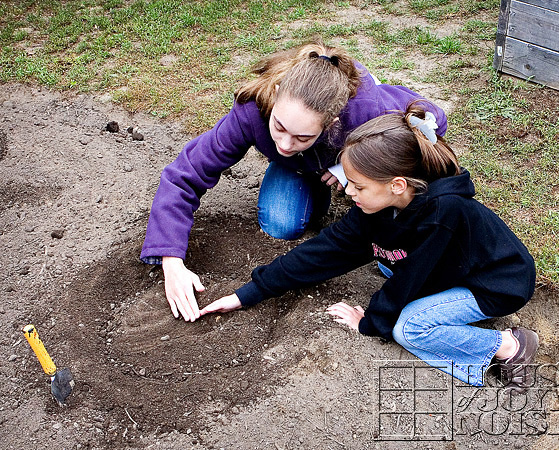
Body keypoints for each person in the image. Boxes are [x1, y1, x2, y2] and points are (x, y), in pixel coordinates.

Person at [200, 102, 538, 391]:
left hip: (494, 283)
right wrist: (250, 292)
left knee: (408, 328)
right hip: (449, 265)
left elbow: (409, 278)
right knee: (386, 262)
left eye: (358, 186)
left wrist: (371, 321)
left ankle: (509, 347)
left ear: (397, 185)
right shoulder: (376, 206)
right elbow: (325, 250)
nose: (348, 192)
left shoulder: (443, 213)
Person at [141, 40, 448, 323]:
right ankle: (315, 183)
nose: (285, 144)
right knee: (280, 223)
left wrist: (346, 165)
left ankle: (340, 171)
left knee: (376, 220)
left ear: (332, 123)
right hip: (301, 167)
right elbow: (185, 173)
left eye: (302, 135)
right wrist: (171, 259)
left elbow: (430, 122)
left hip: (346, 154)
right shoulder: (251, 109)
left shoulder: (367, 112)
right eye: (279, 127)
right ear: (273, 98)